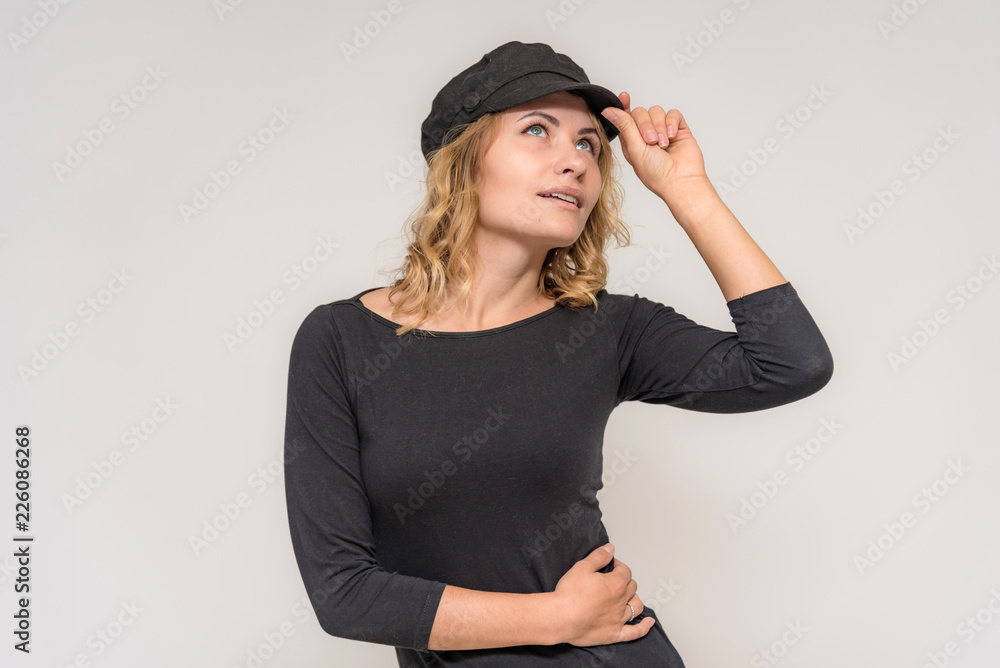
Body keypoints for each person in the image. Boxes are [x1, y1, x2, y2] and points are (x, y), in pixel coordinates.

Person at [283, 40, 834, 667]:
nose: (573, 161)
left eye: (588, 145)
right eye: (537, 130)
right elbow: (344, 595)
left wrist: (687, 190)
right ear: (463, 161)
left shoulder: (607, 328)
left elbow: (792, 363)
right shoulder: (341, 340)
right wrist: (558, 618)